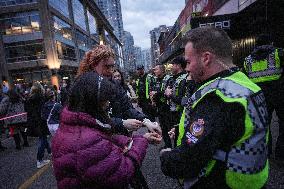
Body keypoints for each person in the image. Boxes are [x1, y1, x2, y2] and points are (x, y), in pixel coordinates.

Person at [160, 27, 269, 189]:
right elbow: (227, 129)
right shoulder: (242, 82)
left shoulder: (217, 97)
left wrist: (166, 156)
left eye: (189, 62)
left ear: (206, 58)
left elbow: (187, 160)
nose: (187, 68)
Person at [52, 71, 162, 189]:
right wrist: (141, 141)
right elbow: (122, 171)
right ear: (92, 100)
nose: (108, 103)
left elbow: (105, 140)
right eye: (104, 99)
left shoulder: (76, 122)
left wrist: (140, 136)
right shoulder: (86, 138)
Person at [77, 45, 161, 135]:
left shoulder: (115, 84)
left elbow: (127, 108)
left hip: (121, 138)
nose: (110, 71)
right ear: (93, 66)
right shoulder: (82, 88)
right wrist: (121, 123)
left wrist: (146, 121)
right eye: (106, 67)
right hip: (98, 140)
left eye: (112, 66)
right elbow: (90, 119)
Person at [244, 34, 284, 161]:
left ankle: (265, 153)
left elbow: (245, 79)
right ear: (270, 42)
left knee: (263, 125)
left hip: (258, 95)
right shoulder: (278, 53)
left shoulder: (248, 60)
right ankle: (281, 154)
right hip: (279, 92)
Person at [25, 82, 51, 168]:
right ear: (41, 89)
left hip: (33, 122)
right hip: (41, 121)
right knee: (42, 139)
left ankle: (50, 151)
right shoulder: (41, 98)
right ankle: (39, 160)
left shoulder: (28, 99)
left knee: (43, 137)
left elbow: (27, 111)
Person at [164, 57, 188, 146]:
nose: (171, 67)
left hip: (181, 114)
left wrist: (170, 95)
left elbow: (184, 101)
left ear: (178, 66)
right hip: (172, 114)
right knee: (174, 137)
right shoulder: (172, 78)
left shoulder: (185, 79)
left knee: (180, 139)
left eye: (173, 65)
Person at [150, 64, 173, 149]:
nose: (154, 71)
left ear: (162, 70)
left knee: (170, 128)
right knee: (163, 128)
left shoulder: (169, 79)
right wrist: (153, 99)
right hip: (160, 108)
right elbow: (153, 90)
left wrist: (157, 93)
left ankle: (174, 147)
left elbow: (169, 92)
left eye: (156, 69)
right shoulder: (156, 80)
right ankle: (167, 146)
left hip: (168, 108)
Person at [0, 85, 28, 150]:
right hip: (21, 117)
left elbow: (2, 110)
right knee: (23, 130)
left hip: (12, 119)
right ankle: (26, 142)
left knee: (15, 132)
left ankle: (18, 146)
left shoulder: (6, 99)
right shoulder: (20, 97)